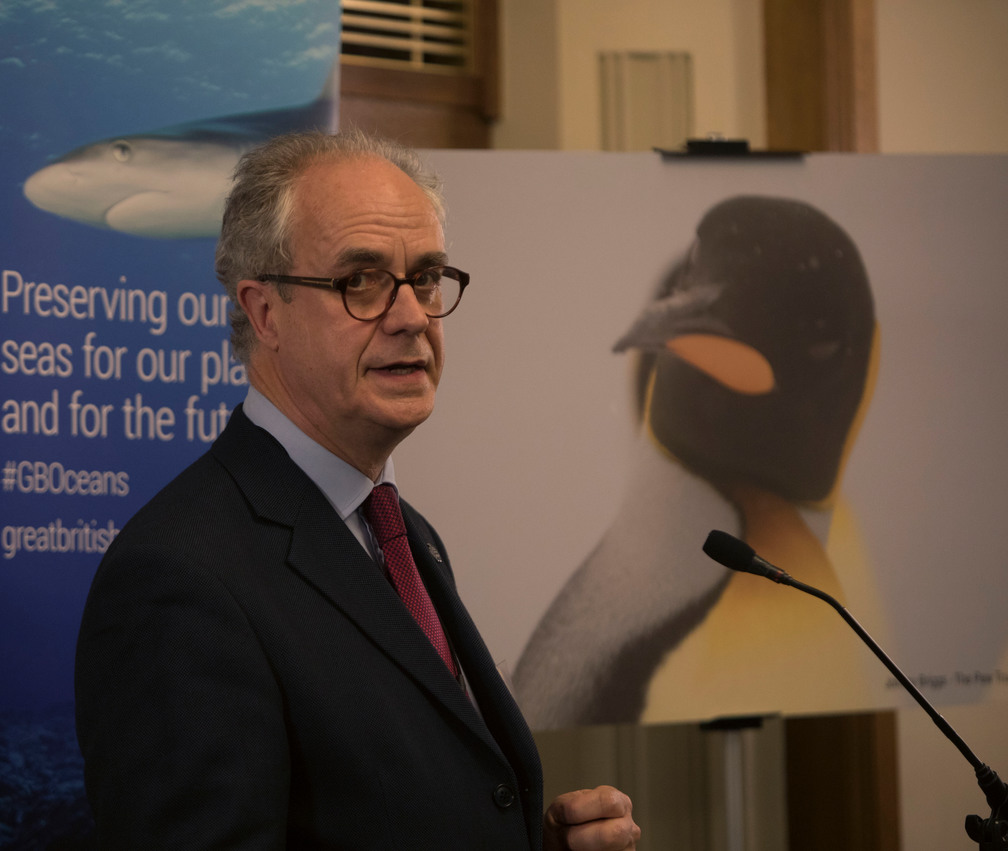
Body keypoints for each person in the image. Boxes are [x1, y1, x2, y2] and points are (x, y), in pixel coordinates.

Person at [74, 129, 641, 850]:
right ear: (264, 312)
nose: (411, 316)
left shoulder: (406, 534)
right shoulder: (178, 578)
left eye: (427, 277)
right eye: (361, 281)